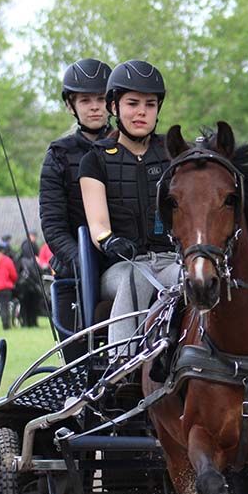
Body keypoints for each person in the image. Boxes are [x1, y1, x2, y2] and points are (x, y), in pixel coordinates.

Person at [79, 59, 178, 355]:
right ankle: (120, 364)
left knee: (195, 279)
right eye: (133, 103)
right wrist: (110, 241)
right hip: (122, 267)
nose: (141, 112)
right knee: (136, 276)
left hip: (171, 260)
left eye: (150, 104)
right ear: (114, 107)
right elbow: (97, 225)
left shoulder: (173, 156)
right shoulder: (94, 160)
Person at [39, 58, 112, 339]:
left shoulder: (125, 146)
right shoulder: (58, 154)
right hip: (76, 269)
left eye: (101, 99)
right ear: (71, 105)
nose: (94, 106)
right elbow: (53, 226)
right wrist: (84, 261)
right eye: (85, 100)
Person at [16, 232, 42, 327]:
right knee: (33, 305)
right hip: (33, 286)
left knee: (24, 305)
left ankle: (25, 322)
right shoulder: (34, 262)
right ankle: (33, 322)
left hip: (23, 286)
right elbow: (40, 273)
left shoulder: (20, 260)